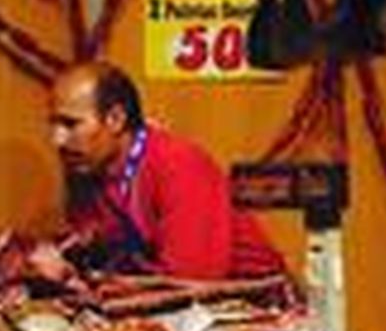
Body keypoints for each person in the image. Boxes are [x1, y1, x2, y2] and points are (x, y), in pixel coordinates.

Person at [43, 61, 286, 280]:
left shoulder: (177, 163)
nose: (57, 140)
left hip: (251, 307)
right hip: (161, 306)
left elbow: (191, 282)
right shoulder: (86, 170)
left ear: (115, 119)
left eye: (70, 124)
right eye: (53, 124)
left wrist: (96, 286)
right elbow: (97, 257)